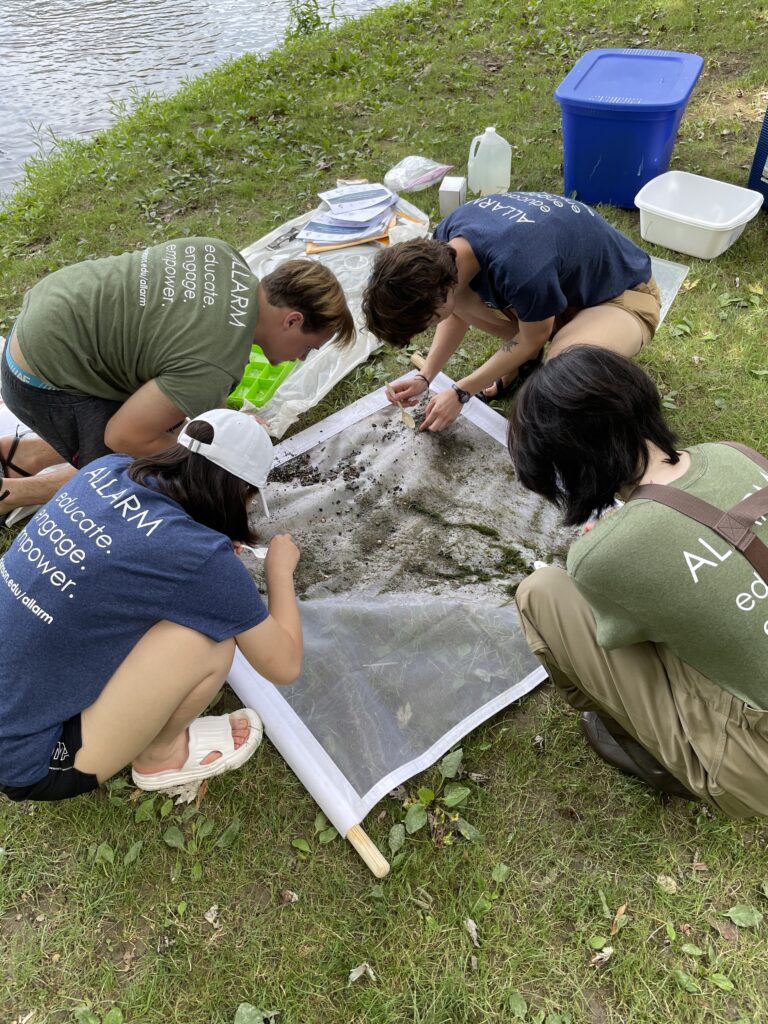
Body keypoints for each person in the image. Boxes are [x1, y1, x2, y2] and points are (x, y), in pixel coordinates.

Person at [509, 345, 768, 816]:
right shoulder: (732, 454)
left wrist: (608, 546)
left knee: (542, 592)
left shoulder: (602, 555)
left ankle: (639, 743)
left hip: (757, 758)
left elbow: (617, 638)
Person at [0, 408, 303, 801]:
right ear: (240, 493)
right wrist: (280, 571)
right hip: (30, 760)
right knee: (208, 642)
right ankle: (161, 757)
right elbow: (284, 664)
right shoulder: (201, 558)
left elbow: (130, 549)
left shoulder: (105, 470)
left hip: (18, 702)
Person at [0, 237, 355, 520]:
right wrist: (215, 457)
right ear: (292, 321)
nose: (301, 358)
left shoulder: (223, 255)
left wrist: (218, 425)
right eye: (309, 347)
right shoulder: (214, 365)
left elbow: (182, 358)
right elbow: (123, 435)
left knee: (166, 427)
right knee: (141, 472)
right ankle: (13, 494)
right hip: (42, 380)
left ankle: (27, 454)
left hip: (41, 323)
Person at [362, 191, 660, 432]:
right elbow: (455, 311)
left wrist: (461, 392)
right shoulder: (446, 247)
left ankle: (545, 357)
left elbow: (532, 339)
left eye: (427, 322)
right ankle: (523, 361)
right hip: (563, 290)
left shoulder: (519, 266)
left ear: (440, 294)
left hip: (623, 296)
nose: (428, 328)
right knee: (465, 303)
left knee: (563, 376)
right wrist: (425, 377)